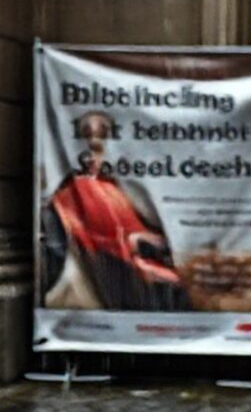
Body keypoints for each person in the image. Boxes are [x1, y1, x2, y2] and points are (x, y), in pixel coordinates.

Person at [42, 111, 190, 311]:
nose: (96, 144)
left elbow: (131, 224)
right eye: (90, 134)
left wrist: (142, 238)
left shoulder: (115, 185)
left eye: (102, 134)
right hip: (98, 259)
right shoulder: (72, 189)